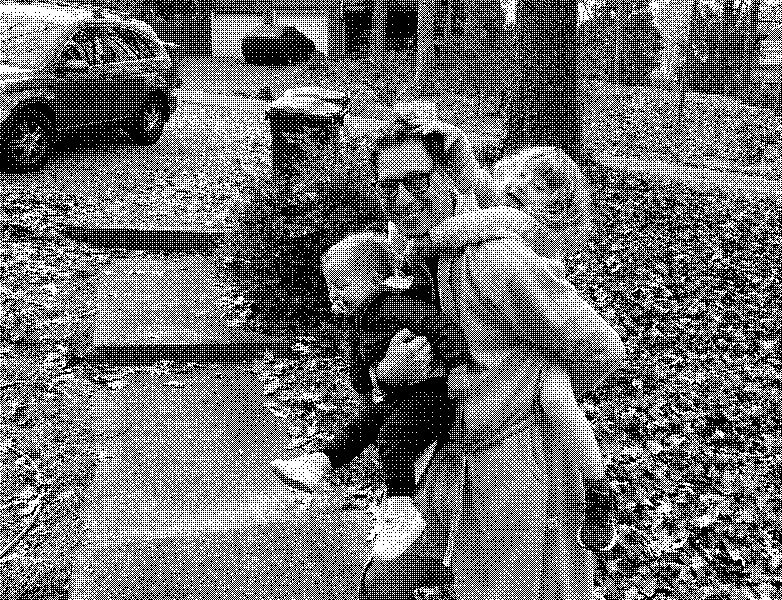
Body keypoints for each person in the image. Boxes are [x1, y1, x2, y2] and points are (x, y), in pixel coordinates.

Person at [360, 119, 627, 600]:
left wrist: (530, 383)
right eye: (387, 187)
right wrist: (392, 371)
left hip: (522, 466)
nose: (401, 199)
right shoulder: (425, 252)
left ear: (449, 177)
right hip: (453, 455)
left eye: (417, 181)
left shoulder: (498, 259)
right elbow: (389, 350)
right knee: (387, 584)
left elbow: (602, 348)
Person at [404, 144, 618, 553]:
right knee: (517, 570)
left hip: (464, 430)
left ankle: (378, 586)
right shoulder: (497, 254)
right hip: (517, 456)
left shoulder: (445, 251)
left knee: (437, 553)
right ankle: (596, 486)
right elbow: (598, 346)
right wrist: (550, 357)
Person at [269, 231, 479, 560]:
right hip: (402, 394)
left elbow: (442, 327)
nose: (334, 294)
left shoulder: (393, 305)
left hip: (433, 393)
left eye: (343, 284)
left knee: (394, 437)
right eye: (330, 286)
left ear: (378, 278)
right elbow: (359, 364)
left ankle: (402, 508)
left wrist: (457, 368)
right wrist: (367, 393)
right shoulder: (357, 319)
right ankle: (321, 465)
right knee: (364, 424)